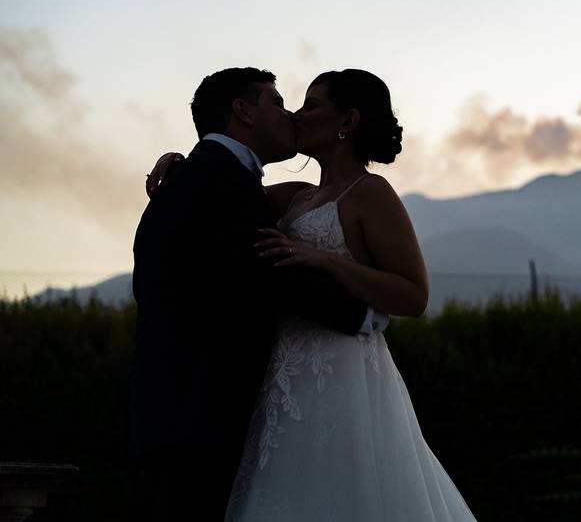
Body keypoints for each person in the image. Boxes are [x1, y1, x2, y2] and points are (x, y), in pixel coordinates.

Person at [147, 69, 476, 521]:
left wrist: (326, 260)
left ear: (348, 121)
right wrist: (181, 164)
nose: (298, 115)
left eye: (312, 105)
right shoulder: (298, 196)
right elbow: (221, 198)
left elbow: (414, 295)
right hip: (281, 374)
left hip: (341, 371)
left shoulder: (372, 193)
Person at [130, 67, 370, 520]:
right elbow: (273, 271)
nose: (290, 115)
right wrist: (365, 317)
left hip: (177, 418)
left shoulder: (213, 177)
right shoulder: (217, 181)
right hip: (197, 422)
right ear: (243, 111)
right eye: (277, 103)